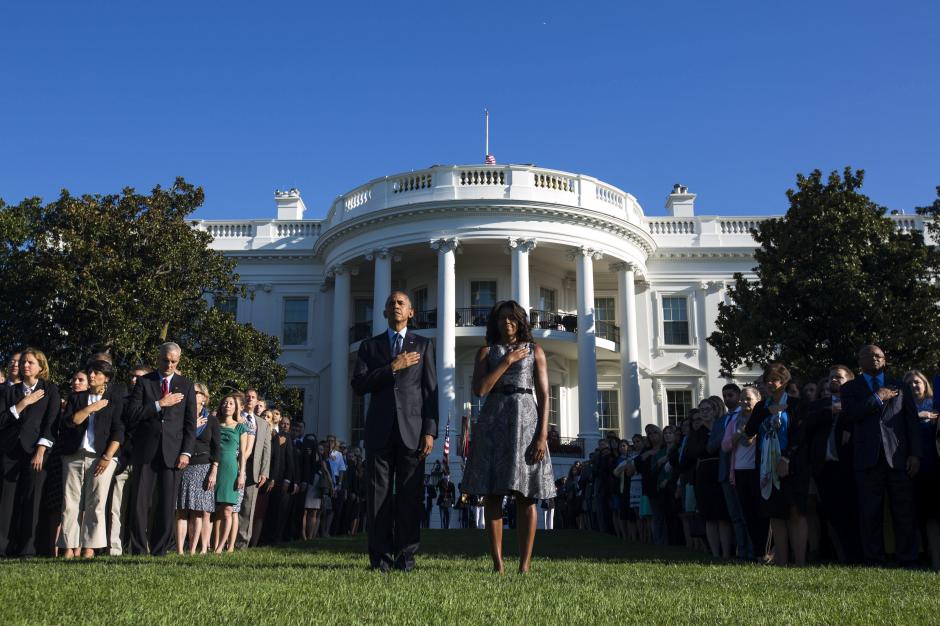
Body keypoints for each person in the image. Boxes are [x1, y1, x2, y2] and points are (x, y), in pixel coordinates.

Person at [461, 300, 555, 574]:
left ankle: (525, 565)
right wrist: (506, 360)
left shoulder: (535, 351)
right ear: (496, 322)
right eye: (502, 318)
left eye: (513, 318)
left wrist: (542, 435)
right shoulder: (486, 352)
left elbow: (545, 395)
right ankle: (498, 564)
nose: (507, 323)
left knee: (527, 496)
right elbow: (480, 390)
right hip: (493, 421)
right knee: (492, 495)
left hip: (526, 421)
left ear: (521, 321)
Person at [351, 291, 438, 573]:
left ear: (411, 312)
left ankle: (406, 559)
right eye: (391, 303)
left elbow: (430, 391)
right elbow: (359, 384)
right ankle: (380, 560)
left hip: (413, 432)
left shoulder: (423, 345)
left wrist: (430, 431)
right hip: (379, 431)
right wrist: (392, 367)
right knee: (378, 498)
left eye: (401, 303)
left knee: (410, 498)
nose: (396, 306)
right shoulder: (370, 346)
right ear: (384, 313)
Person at [840, 345, 921, 567]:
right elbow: (849, 416)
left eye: (879, 356)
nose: (875, 359)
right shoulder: (850, 388)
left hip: (898, 456)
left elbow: (911, 422)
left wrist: (915, 454)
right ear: (860, 360)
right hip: (867, 458)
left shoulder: (900, 386)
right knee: (870, 511)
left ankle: (908, 557)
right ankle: (873, 558)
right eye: (870, 356)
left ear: (885, 360)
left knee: (904, 509)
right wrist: (877, 397)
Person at [125, 342, 197, 556]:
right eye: (165, 360)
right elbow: (132, 415)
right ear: (158, 358)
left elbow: (190, 424)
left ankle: (159, 550)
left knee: (166, 504)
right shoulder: (144, 383)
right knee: (140, 503)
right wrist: (159, 404)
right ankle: (138, 549)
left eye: (174, 361)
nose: (169, 365)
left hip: (173, 453)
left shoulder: (186, 384)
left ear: (179, 361)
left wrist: (186, 452)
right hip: (146, 451)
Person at [743, 362, 809, 566]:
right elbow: (749, 432)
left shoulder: (797, 404)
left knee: (796, 511)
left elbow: (800, 434)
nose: (771, 384)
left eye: (775, 380)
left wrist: (786, 458)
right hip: (766, 466)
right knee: (775, 514)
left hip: (793, 463)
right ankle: (782, 560)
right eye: (767, 380)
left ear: (784, 382)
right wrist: (765, 413)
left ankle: (800, 561)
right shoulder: (761, 406)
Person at [58, 360, 124, 559]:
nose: (92, 376)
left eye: (97, 373)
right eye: (90, 372)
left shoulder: (115, 400)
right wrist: (91, 408)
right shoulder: (76, 398)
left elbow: (119, 432)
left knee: (96, 502)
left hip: (102, 456)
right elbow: (71, 422)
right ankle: (68, 548)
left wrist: (107, 456)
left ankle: (90, 548)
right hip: (73, 455)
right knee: (70, 502)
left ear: (107, 378)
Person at [0, 348, 60, 556]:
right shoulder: (9, 392)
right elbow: (2, 420)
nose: (25, 365)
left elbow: (51, 422)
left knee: (33, 500)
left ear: (41, 367)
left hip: (37, 451)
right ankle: (4, 547)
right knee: (7, 501)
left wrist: (41, 450)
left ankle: (29, 549)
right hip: (10, 452)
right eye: (23, 362)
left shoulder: (50, 389)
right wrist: (23, 403)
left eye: (30, 362)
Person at [805, 365, 861, 564]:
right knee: (832, 515)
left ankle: (857, 556)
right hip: (824, 467)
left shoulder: (856, 403)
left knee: (852, 512)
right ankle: (842, 557)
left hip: (848, 466)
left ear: (850, 381)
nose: (833, 380)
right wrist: (830, 410)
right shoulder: (819, 405)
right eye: (830, 378)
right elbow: (806, 426)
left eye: (838, 377)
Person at [108, 365, 150, 556]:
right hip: (122, 460)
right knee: (116, 507)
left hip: (145, 461)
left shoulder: (154, 403)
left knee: (141, 509)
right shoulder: (120, 402)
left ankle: (138, 547)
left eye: (139, 377)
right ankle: (114, 548)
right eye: (132, 376)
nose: (134, 380)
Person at [725, 386, 767, 561]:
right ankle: (756, 553)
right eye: (742, 399)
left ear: (758, 400)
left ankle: (766, 551)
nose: (743, 402)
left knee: (761, 513)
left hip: (758, 471)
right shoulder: (735, 421)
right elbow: (725, 446)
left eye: (748, 398)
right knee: (748, 514)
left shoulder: (763, 418)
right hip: (739, 472)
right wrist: (738, 434)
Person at [176, 383, 219, 555]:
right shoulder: (181, 417)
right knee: (181, 510)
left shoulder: (212, 420)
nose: (193, 395)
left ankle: (193, 550)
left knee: (198, 511)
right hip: (183, 466)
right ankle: (180, 550)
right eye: (191, 392)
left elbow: (217, 448)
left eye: (197, 392)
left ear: (205, 398)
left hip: (203, 467)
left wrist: (214, 470)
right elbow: (176, 440)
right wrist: (192, 427)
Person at [212, 394, 248, 553]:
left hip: (231, 468)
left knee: (228, 510)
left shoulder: (241, 427)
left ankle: (221, 547)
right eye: (225, 402)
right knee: (215, 509)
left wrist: (242, 474)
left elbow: (243, 454)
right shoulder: (214, 424)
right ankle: (213, 544)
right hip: (213, 467)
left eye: (231, 403)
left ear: (236, 408)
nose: (227, 405)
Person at [236, 390, 271, 549]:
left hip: (254, 469)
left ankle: (242, 542)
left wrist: (265, 471)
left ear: (257, 402)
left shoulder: (262, 423)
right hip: (235, 465)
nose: (250, 399)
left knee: (248, 506)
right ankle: (225, 540)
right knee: (231, 504)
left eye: (253, 397)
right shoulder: (236, 417)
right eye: (248, 397)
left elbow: (266, 449)